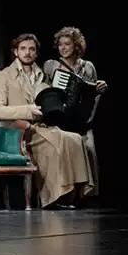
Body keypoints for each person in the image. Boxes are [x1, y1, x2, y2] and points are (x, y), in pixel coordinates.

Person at [0, 33, 94, 208]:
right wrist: (27, 110)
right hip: (19, 131)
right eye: (23, 48)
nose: (27, 53)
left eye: (32, 49)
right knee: (56, 142)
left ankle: (74, 194)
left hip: (41, 127)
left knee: (75, 139)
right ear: (15, 51)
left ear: (36, 53)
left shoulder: (41, 75)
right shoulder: (4, 75)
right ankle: (54, 197)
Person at [43, 26, 107, 196]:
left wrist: (100, 88)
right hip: (61, 119)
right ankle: (67, 192)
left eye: (67, 44)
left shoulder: (87, 67)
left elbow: (94, 94)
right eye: (60, 44)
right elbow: (45, 91)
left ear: (76, 46)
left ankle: (87, 193)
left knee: (89, 149)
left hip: (82, 119)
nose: (63, 48)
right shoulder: (51, 66)